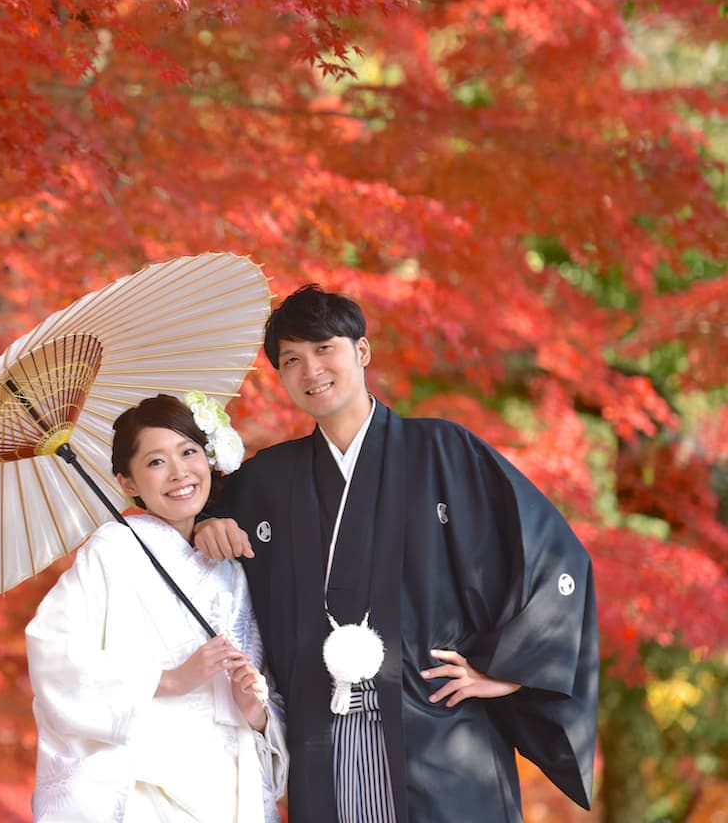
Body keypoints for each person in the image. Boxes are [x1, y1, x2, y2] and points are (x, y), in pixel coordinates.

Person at [194, 285, 598, 823]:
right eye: (291, 359)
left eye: (324, 349)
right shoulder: (268, 479)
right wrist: (207, 524)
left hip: (440, 734)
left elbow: (555, 559)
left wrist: (507, 670)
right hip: (323, 740)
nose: (310, 369)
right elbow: (191, 534)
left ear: (361, 352)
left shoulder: (444, 452)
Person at [25, 393, 288, 823]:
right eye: (155, 462)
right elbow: (53, 651)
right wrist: (168, 679)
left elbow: (264, 689)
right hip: (148, 787)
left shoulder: (231, 567)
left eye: (188, 452)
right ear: (128, 483)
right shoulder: (113, 551)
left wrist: (254, 709)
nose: (179, 472)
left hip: (231, 784)